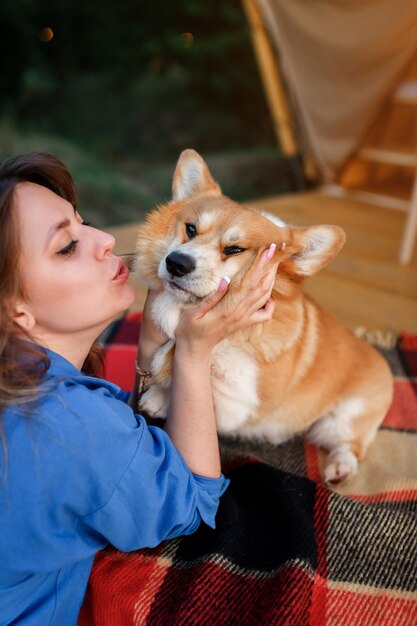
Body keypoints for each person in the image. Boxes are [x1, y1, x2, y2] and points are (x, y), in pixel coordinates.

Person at [0, 152, 278, 626]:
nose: (106, 240)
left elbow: (111, 451)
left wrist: (151, 352)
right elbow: (195, 501)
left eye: (83, 224)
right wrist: (192, 351)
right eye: (66, 246)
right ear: (16, 311)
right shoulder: (69, 423)